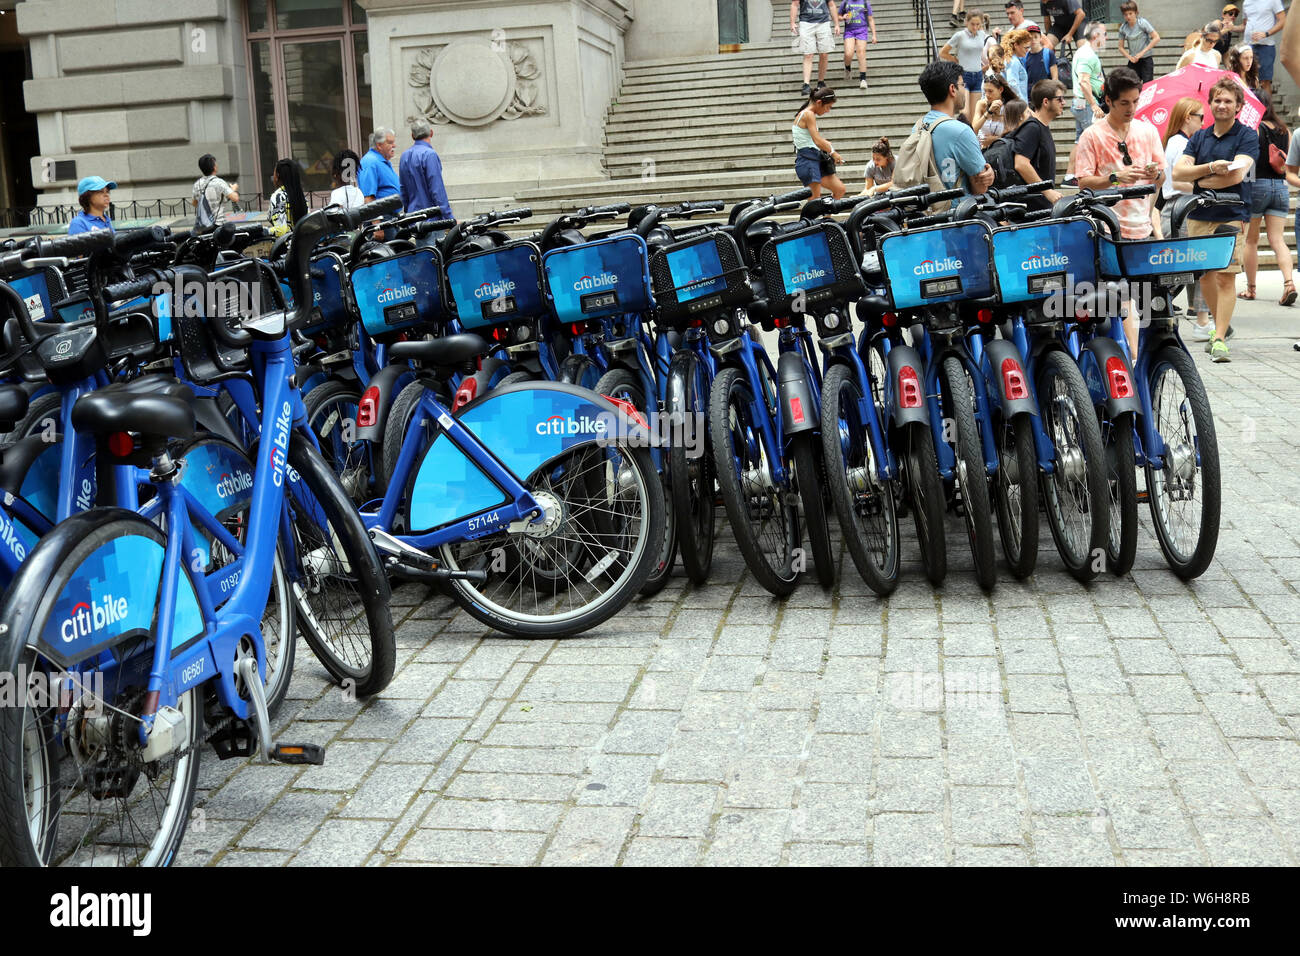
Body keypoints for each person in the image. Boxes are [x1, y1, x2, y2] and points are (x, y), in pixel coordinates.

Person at [1075, 67, 1165, 356]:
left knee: (1147, 301)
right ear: (1109, 101)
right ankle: (1132, 357)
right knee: (1123, 300)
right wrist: (1115, 178)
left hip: (1143, 227)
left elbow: (1161, 177)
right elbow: (1083, 181)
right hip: (1107, 232)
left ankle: (1141, 359)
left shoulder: (1148, 131)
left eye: (1136, 101)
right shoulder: (1092, 135)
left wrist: (1155, 172)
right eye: (1124, 102)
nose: (1131, 108)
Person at [1173, 77, 1258, 363]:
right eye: (1217, 100)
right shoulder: (1200, 137)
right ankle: (1219, 324)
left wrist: (1197, 178)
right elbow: (1177, 174)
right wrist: (1209, 170)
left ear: (1238, 106)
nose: (1222, 105)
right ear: (1210, 104)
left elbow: (1236, 175)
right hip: (1199, 214)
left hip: (1232, 215)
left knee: (1225, 277)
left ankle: (1219, 338)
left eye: (1228, 101)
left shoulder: (1247, 136)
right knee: (1205, 276)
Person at [1161, 97, 1212, 334]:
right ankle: (1201, 319)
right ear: (1187, 117)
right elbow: (1180, 181)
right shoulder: (1180, 145)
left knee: (1187, 267)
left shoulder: (1176, 142)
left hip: (1177, 207)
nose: (1203, 121)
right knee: (1190, 266)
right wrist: (1206, 189)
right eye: (1200, 116)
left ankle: (1198, 313)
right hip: (1181, 207)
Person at [1239, 91, 1294, 305]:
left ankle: (1251, 289)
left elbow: (1249, 164)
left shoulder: (1254, 129)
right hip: (1280, 187)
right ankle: (1289, 283)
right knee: (1278, 240)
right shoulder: (1284, 130)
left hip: (1257, 186)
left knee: (1251, 240)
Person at [914, 59, 996, 194]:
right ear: (952, 89)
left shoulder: (918, 126)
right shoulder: (961, 131)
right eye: (962, 84)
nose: (964, 90)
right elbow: (981, 187)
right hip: (958, 210)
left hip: (927, 210)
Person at [1013, 78, 1066, 209]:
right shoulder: (1032, 128)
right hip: (1030, 211)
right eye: (1059, 99)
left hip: (1040, 208)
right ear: (1046, 102)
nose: (1063, 102)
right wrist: (1047, 191)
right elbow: (1020, 163)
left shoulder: (1042, 127)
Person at [793, 86, 847, 198]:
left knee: (840, 189)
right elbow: (817, 141)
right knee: (814, 199)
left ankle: (826, 216)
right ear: (819, 102)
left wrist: (825, 144)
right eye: (828, 107)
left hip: (815, 157)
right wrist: (832, 152)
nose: (828, 111)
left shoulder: (808, 114)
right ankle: (813, 215)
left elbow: (814, 140)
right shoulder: (808, 114)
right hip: (807, 160)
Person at [940, 10, 991, 119]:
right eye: (972, 24)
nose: (975, 27)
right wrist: (955, 60)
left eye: (978, 24)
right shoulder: (960, 35)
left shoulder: (981, 34)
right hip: (964, 76)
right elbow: (943, 52)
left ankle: (973, 136)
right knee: (965, 113)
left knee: (975, 116)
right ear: (966, 22)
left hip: (978, 76)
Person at [399, 120, 454, 219]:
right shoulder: (429, 155)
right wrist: (449, 217)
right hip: (431, 219)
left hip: (411, 217)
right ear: (431, 133)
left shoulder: (404, 156)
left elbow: (403, 190)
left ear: (412, 136)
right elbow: (437, 190)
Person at [792, 1, 842, 96]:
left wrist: (836, 24)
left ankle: (821, 82)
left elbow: (831, 5)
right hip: (806, 23)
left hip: (823, 22)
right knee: (808, 54)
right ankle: (806, 84)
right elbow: (794, 4)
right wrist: (792, 22)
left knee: (824, 53)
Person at [1242, 0, 1286, 96]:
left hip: (1265, 46)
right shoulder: (1246, 2)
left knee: (1264, 82)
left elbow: (1283, 21)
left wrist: (1266, 33)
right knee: (1248, 81)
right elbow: (1245, 25)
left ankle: (1268, 110)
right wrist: (1232, 28)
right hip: (1248, 46)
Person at [1071, 22, 1106, 140]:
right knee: (1096, 141)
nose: (1106, 37)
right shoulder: (1087, 55)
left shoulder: (1085, 52)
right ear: (1096, 35)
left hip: (1082, 104)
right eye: (1104, 34)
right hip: (1087, 106)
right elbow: (1083, 81)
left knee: (1080, 141)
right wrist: (1094, 105)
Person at [1117, 2, 1161, 84]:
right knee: (1131, 84)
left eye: (1130, 13)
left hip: (1146, 59)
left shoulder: (1142, 23)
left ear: (1136, 13)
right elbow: (1120, 47)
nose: (1128, 16)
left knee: (1147, 84)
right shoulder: (1123, 28)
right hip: (1133, 61)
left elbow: (1156, 37)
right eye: (1125, 14)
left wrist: (1142, 53)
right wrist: (1129, 57)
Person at [973, 72, 1020, 147]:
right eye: (985, 91)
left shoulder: (1009, 106)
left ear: (1000, 89)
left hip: (1002, 149)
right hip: (981, 149)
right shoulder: (981, 104)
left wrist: (995, 139)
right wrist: (988, 112)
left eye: (990, 91)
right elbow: (974, 130)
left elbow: (1013, 134)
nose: (987, 95)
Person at [191, 154, 239, 226]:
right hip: (218, 224)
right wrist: (233, 189)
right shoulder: (219, 182)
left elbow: (194, 203)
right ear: (214, 167)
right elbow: (235, 198)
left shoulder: (197, 184)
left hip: (203, 225)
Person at [838, 1, 877, 90]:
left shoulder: (865, 2)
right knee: (848, 53)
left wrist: (874, 35)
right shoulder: (845, 2)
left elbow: (870, 19)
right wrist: (843, 17)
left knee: (861, 52)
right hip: (849, 31)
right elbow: (838, 16)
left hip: (862, 30)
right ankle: (847, 68)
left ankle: (863, 79)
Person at [266, 159, 308, 237]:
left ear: (277, 175)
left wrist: (265, 231)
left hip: (285, 247)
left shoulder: (278, 197)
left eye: (274, 173)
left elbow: (281, 230)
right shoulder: (302, 197)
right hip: (303, 246)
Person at [359, 127, 400, 203]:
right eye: (390, 143)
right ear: (379, 145)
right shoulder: (370, 162)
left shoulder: (382, 161)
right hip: (382, 214)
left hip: (390, 213)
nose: (394, 146)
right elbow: (368, 199)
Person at [1002, 29, 1031, 100]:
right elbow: (1012, 84)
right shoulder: (1013, 61)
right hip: (1017, 106)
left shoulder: (1011, 59)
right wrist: (1022, 104)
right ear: (1016, 45)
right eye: (1026, 47)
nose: (1028, 50)